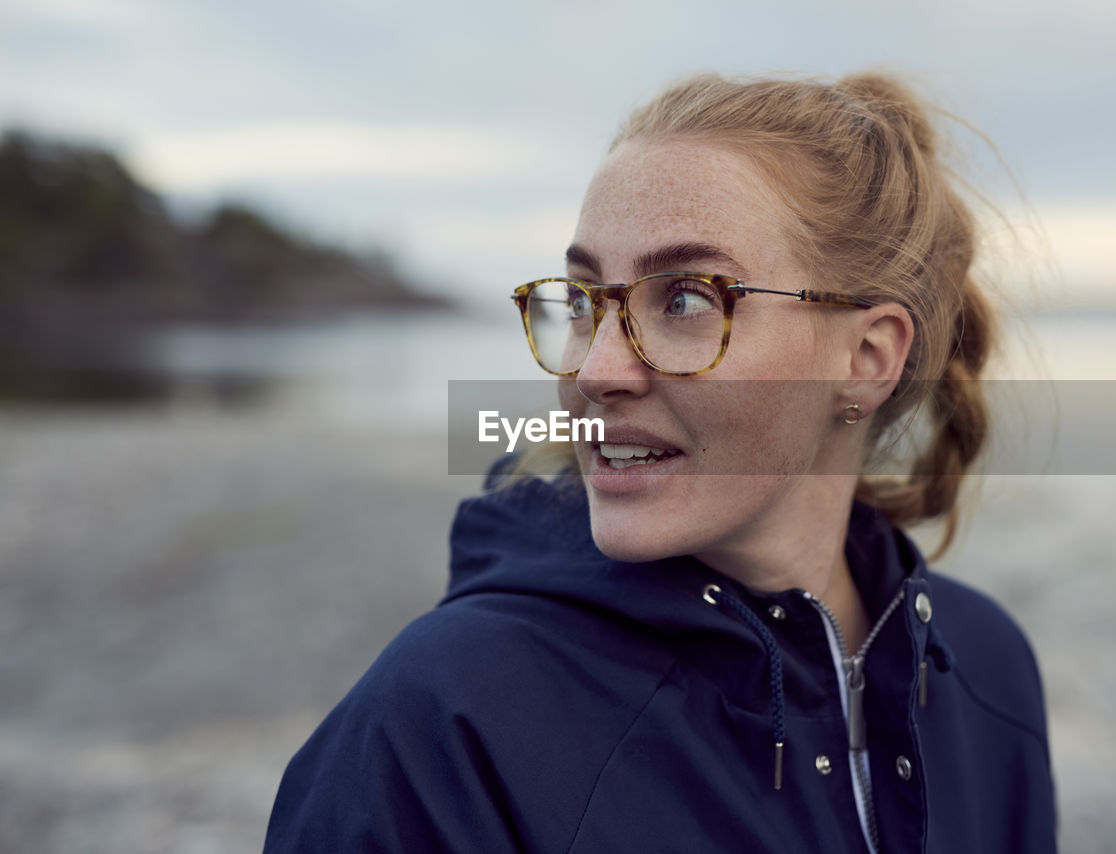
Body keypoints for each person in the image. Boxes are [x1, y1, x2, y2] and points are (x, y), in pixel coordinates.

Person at [265, 72, 1056, 853]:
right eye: (584, 303)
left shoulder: (986, 669)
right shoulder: (443, 726)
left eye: (684, 300)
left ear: (867, 358)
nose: (597, 369)